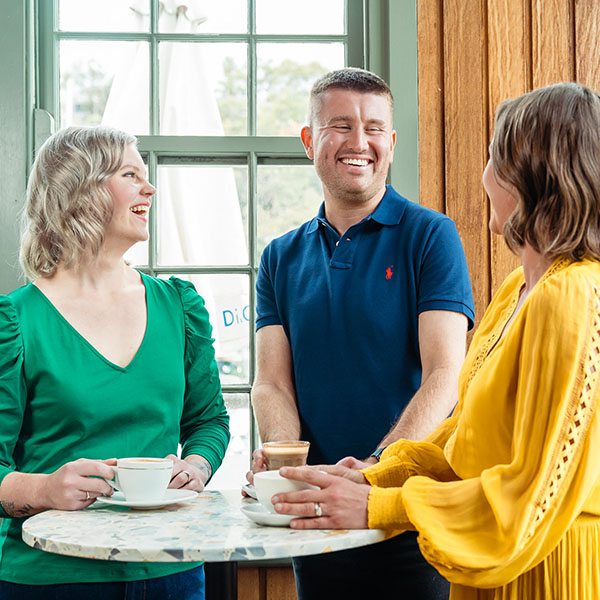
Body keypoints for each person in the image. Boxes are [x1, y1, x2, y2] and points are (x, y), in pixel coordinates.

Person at [273, 81, 600, 599]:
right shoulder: (521, 287)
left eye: (495, 158)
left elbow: (531, 495)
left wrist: (381, 502)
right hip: (480, 559)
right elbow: (467, 436)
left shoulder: (574, 296)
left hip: (541, 567)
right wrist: (377, 475)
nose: (485, 175)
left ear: (533, 176)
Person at [250, 68, 475, 599]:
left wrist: (375, 473)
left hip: (407, 516)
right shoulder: (279, 256)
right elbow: (271, 383)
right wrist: (287, 464)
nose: (360, 142)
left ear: (391, 144)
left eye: (375, 128)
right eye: (340, 125)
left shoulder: (431, 236)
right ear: (310, 141)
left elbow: (445, 375)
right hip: (315, 515)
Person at [0, 126, 230, 599]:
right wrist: (44, 490)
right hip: (55, 577)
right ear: (78, 189)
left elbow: (209, 420)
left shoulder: (179, 306)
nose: (150, 188)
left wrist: (198, 465)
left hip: (172, 569)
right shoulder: (16, 321)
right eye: (130, 174)